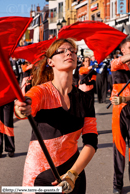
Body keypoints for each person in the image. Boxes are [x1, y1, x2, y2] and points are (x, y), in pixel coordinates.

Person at [15, 38, 98, 194]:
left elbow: (91, 142)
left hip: (73, 174)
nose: (69, 53)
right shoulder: (41, 91)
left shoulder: (85, 99)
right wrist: (22, 108)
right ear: (50, 62)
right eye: (62, 51)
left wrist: (73, 174)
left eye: (73, 51)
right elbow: (28, 103)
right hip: (39, 177)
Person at [110, 36, 130, 194]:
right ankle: (117, 184)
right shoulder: (116, 64)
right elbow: (116, 63)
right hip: (119, 111)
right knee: (119, 148)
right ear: (123, 50)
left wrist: (126, 98)